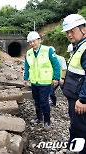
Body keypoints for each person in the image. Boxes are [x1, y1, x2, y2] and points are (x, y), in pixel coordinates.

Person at [23, 31, 60, 130]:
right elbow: (27, 67)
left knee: (44, 102)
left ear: (39, 40)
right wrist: (25, 78)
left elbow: (56, 65)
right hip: (34, 82)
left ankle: (47, 121)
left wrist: (56, 77)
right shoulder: (29, 53)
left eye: (34, 41)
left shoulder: (48, 50)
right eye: (30, 42)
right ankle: (39, 117)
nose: (32, 44)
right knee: (36, 101)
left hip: (45, 82)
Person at [61, 14, 86, 153]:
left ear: (84, 30)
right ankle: (73, 145)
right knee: (75, 124)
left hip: (80, 100)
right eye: (67, 32)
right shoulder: (78, 46)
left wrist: (83, 99)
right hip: (73, 97)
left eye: (72, 30)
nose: (69, 34)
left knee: (82, 129)